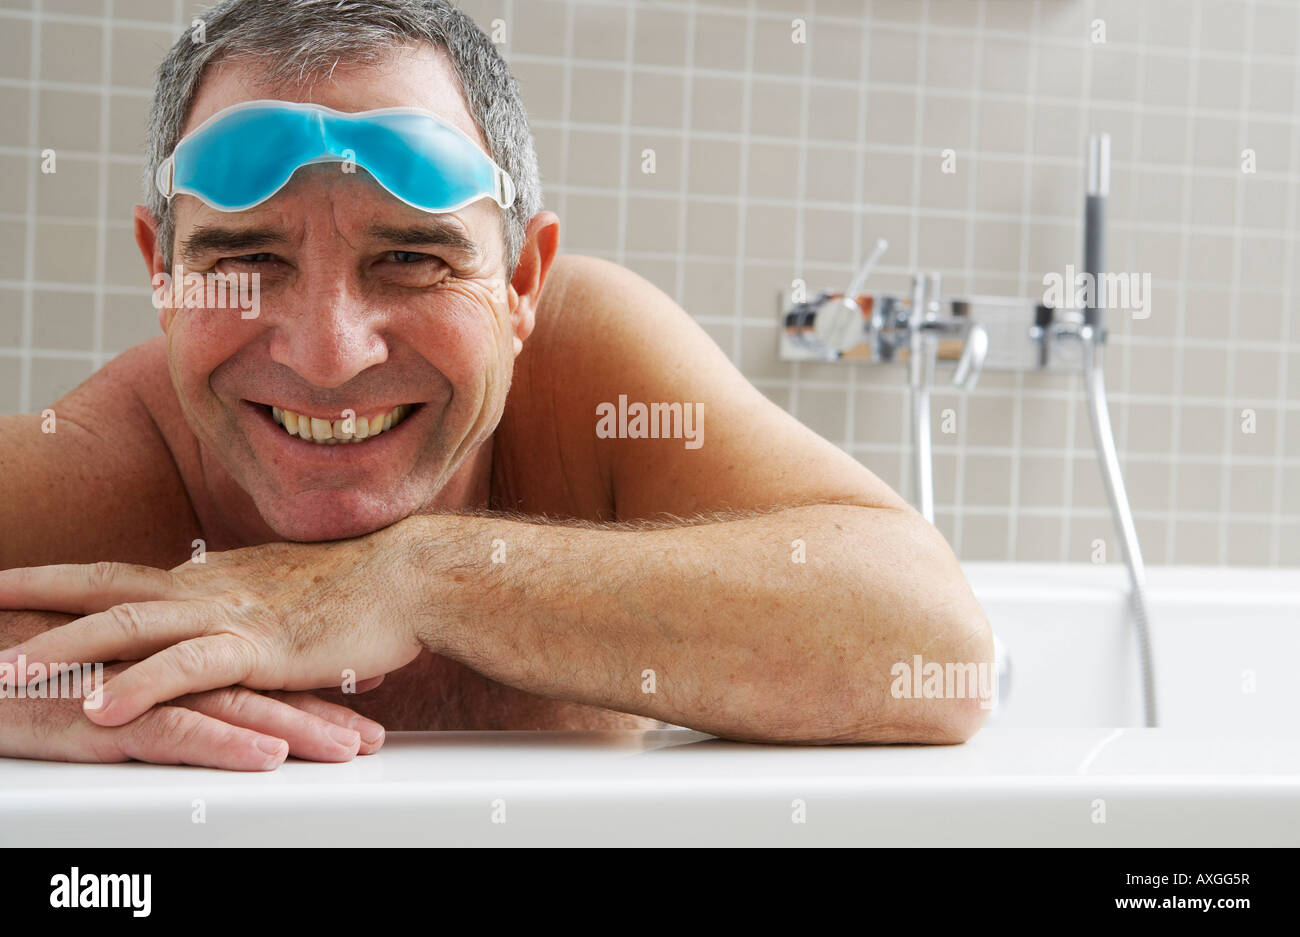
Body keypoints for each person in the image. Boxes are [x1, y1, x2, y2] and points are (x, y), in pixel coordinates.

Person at [0, 0, 993, 771]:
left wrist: (417, 579)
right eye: (247, 258)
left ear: (523, 282)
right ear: (164, 277)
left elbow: (935, 643)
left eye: (412, 260)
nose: (328, 355)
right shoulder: (105, 463)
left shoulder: (588, 378)